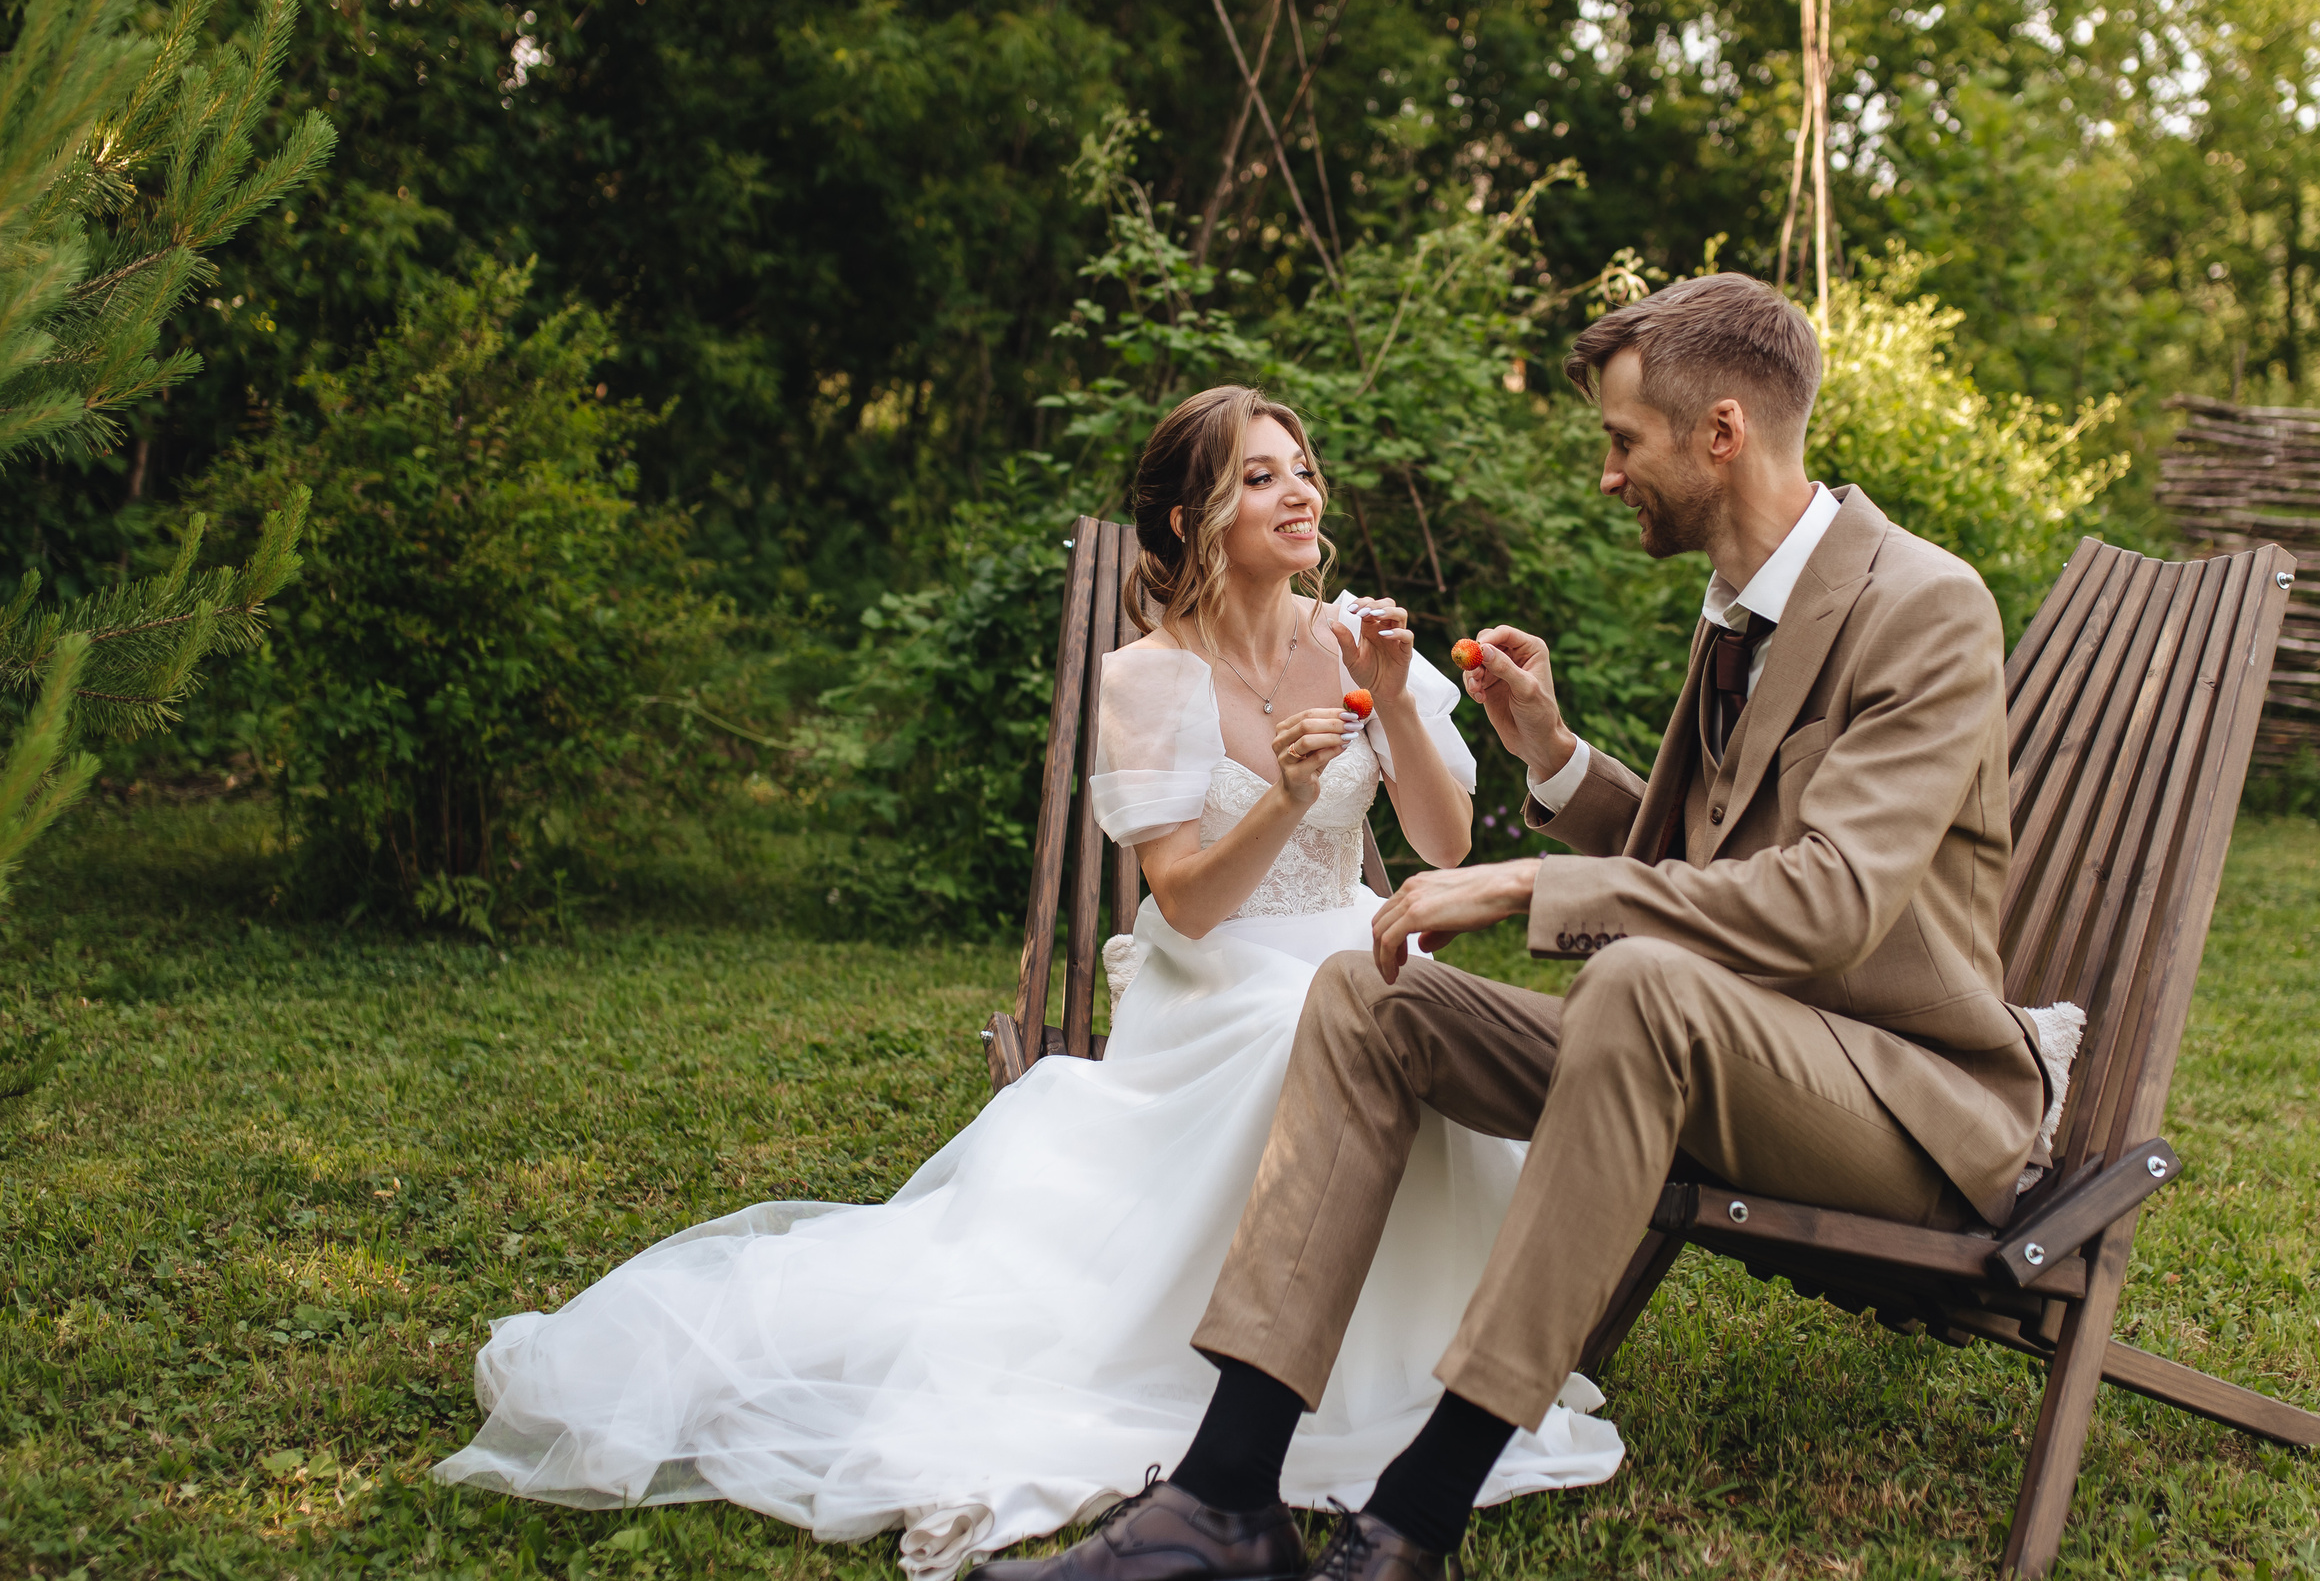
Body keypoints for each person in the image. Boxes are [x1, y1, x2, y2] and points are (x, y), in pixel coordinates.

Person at [432, 386, 1621, 1579]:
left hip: (1349, 941)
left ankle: (1390, 1363)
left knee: (1384, 1004)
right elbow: (1191, 902)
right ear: (1182, 521)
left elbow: (1448, 843)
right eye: (1257, 477)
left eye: (1300, 466)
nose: (1298, 490)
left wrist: (1397, 692)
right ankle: (1251, 1403)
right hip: (1215, 983)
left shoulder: (1359, 632)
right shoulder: (1147, 681)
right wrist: (1287, 797)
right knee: (1305, 1027)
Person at [993, 274, 2048, 1581]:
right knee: (1371, 995)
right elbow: (1700, 864)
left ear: (1720, 433)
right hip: (1719, 1041)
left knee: (1641, 985)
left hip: (1899, 1100)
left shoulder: (1921, 602)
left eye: (1622, 442)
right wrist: (1553, 756)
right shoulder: (1741, 607)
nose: (1608, 476)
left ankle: (1414, 1515)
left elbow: (1826, 900)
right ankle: (1223, 1494)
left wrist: (1517, 884)